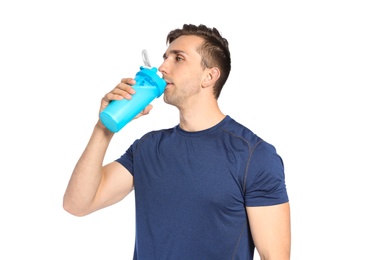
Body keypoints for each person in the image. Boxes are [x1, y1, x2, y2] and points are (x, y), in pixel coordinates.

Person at [63, 23, 291, 260]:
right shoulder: (147, 148)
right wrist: (104, 128)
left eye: (178, 58)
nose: (162, 67)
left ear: (209, 76)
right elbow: (77, 204)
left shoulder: (254, 155)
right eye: (165, 57)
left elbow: (274, 256)